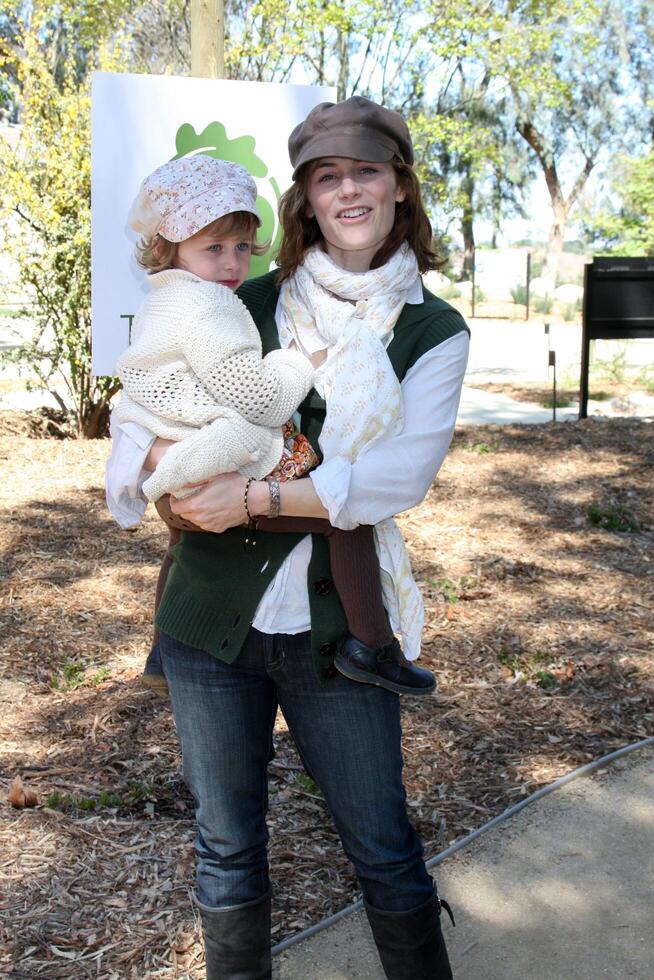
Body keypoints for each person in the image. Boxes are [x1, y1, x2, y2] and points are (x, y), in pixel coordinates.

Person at [106, 95, 469, 980]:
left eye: (367, 171)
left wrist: (260, 497)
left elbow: (397, 479)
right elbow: (140, 399)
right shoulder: (236, 293)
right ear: (305, 197)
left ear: (400, 187)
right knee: (225, 841)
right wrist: (157, 462)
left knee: (379, 837)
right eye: (326, 177)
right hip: (209, 619)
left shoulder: (431, 329)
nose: (348, 191)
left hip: (336, 631)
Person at [112, 153, 436, 698]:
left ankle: (163, 649)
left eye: (241, 246)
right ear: (169, 246)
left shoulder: (172, 297)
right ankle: (373, 645)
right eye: (213, 248)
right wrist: (296, 362)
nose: (233, 263)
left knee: (182, 534)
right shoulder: (207, 308)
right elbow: (259, 400)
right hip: (210, 443)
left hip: (178, 441)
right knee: (336, 505)